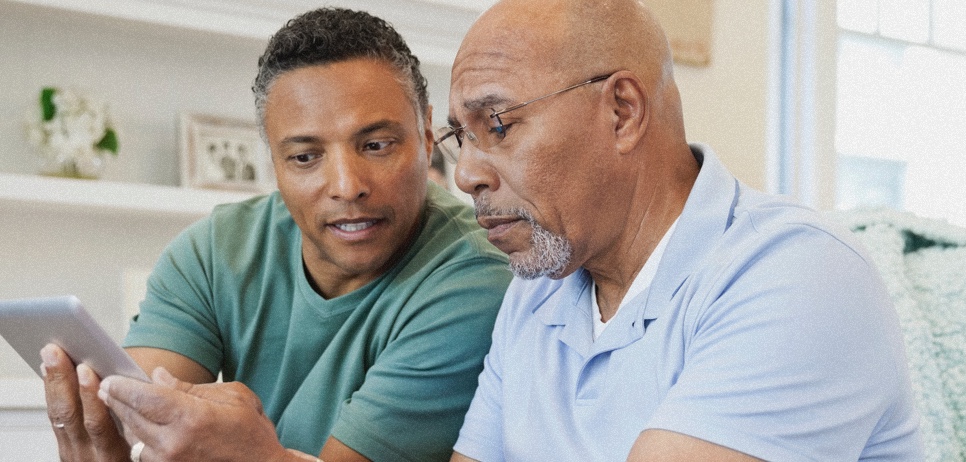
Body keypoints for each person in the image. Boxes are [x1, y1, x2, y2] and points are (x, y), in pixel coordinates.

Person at [98, 0, 923, 460]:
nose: (466, 173)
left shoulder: (794, 277)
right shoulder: (540, 293)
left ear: (622, 109)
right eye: (461, 136)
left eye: (499, 124)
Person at [41, 8, 511, 462]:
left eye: (376, 145)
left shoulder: (475, 278)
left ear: (427, 137)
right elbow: (134, 424)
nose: (347, 186)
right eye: (305, 156)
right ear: (274, 163)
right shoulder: (214, 250)